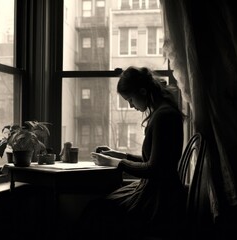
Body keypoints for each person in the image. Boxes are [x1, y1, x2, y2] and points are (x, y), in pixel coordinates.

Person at [71, 66, 187, 240]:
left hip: (160, 197)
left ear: (143, 91)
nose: (131, 105)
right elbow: (156, 158)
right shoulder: (162, 112)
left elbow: (154, 168)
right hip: (155, 190)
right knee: (97, 207)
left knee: (97, 210)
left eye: (130, 99)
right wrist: (118, 155)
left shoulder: (164, 116)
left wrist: (115, 163)